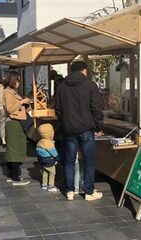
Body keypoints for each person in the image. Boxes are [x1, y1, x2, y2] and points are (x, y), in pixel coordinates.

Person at [55, 61, 104, 201]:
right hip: (86, 129)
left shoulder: (61, 87)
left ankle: (70, 191)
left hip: (68, 129)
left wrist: (64, 122)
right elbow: (96, 108)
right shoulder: (90, 85)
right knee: (89, 160)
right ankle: (89, 192)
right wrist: (99, 126)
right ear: (84, 71)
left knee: (69, 160)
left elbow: (58, 109)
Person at [3, 72, 30, 186]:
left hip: (15, 122)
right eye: (18, 80)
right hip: (13, 122)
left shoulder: (11, 92)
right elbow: (10, 108)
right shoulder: (8, 92)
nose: (19, 83)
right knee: (16, 149)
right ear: (13, 80)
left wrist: (25, 107)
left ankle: (12, 175)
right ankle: (15, 177)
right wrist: (22, 102)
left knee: (14, 148)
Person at [36, 124, 59, 192]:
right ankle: (51, 186)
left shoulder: (40, 141)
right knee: (52, 173)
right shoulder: (49, 143)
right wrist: (57, 158)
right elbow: (53, 152)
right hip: (49, 160)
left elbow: (38, 150)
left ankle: (44, 184)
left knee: (45, 172)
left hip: (42, 160)